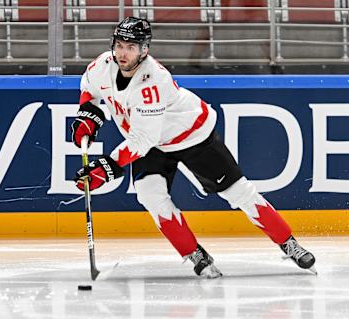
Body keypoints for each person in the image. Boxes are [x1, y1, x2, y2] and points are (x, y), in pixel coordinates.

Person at [70, 17, 316, 278]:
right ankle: (194, 253)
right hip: (150, 142)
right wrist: (89, 114)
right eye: (119, 45)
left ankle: (288, 243)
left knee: (239, 192)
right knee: (149, 195)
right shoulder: (101, 65)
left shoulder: (153, 81)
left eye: (131, 47)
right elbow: (89, 87)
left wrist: (108, 166)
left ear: (145, 49)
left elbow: (143, 139)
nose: (122, 52)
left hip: (191, 135)